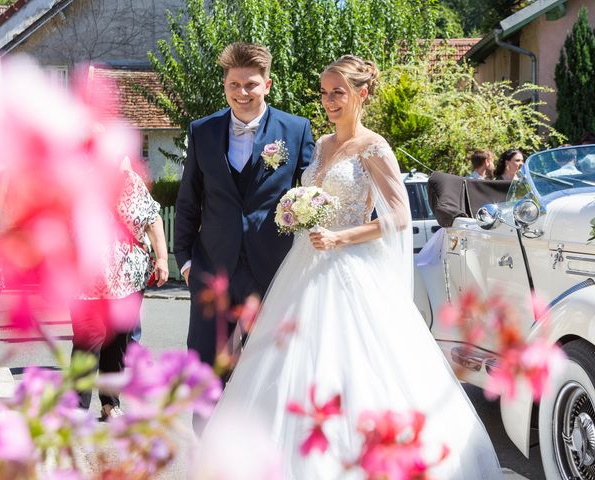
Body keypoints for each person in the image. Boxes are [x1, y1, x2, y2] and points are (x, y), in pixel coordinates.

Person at [205, 55, 502, 478]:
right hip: (305, 268)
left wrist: (341, 237)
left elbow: (398, 217)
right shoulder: (322, 145)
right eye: (325, 93)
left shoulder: (374, 146)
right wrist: (296, 211)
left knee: (355, 367)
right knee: (290, 365)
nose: (329, 101)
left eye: (338, 92)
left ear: (362, 94)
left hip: (352, 268)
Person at [174, 43, 314, 369]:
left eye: (250, 84)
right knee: (205, 367)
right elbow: (188, 201)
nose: (242, 92)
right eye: (234, 84)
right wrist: (185, 262)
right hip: (211, 269)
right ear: (224, 85)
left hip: (272, 270)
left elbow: (311, 195)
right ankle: (206, 423)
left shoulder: (295, 130)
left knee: (267, 368)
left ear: (267, 85)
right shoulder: (202, 131)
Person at [71, 158, 169, 420]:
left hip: (128, 277)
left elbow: (152, 218)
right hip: (87, 279)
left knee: (118, 341)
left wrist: (161, 258)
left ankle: (109, 403)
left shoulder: (132, 182)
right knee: (88, 341)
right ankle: (77, 409)